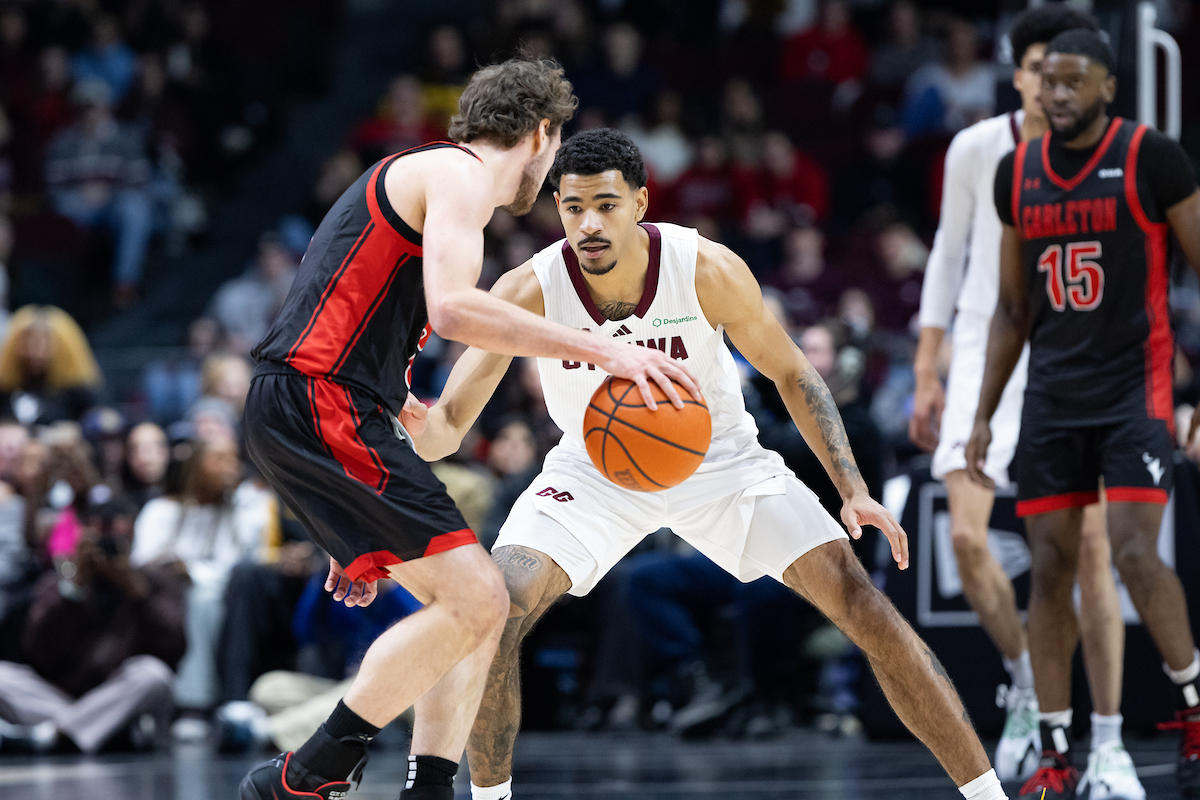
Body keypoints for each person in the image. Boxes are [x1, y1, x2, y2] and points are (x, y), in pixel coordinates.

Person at [405, 128, 1009, 800]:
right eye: (574, 208)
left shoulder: (704, 269)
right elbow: (449, 426)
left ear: (639, 202)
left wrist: (853, 489)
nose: (589, 223)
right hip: (592, 471)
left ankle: (988, 795)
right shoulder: (530, 287)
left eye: (606, 204)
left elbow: (794, 375)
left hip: (722, 462)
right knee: (497, 609)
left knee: (862, 604)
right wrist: (409, 425)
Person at [237, 57, 698, 800]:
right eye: (554, 157)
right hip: (320, 402)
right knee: (480, 597)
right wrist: (608, 346)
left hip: (328, 409)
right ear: (542, 133)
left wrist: (346, 525)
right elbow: (453, 310)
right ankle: (307, 772)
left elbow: (362, 333)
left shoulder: (417, 174)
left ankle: (429, 789)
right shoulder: (456, 175)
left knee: (474, 608)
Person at [969, 29, 1200, 800]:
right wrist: (982, 415)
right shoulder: (1017, 172)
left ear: (1108, 86)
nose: (1057, 94)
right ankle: (1056, 753)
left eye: (1074, 82)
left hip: (1136, 388)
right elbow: (1010, 307)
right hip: (1052, 398)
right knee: (1051, 571)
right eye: (1048, 82)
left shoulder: (1152, 158)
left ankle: (1192, 709)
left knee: (1134, 555)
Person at [908, 6, 1132, 789]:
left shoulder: (1115, 153)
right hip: (979, 351)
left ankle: (1105, 742)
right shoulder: (977, 147)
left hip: (1074, 359)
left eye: (1062, 68)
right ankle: (1029, 685)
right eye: (1036, 67)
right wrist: (929, 368)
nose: (1047, 81)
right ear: (1018, 72)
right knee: (968, 541)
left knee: (1091, 554)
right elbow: (946, 251)